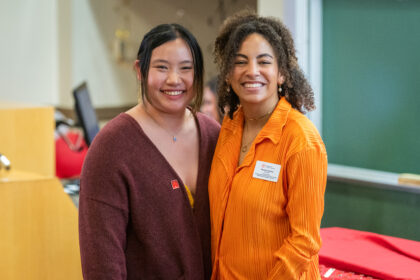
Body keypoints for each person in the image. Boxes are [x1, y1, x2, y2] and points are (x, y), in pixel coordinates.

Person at [79, 23, 220, 280]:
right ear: (140, 70)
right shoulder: (111, 148)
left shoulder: (214, 135)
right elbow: (102, 265)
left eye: (186, 68)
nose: (174, 79)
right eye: (162, 67)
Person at [208, 11, 327, 279]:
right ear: (228, 74)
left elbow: (305, 240)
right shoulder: (229, 127)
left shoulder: (301, 140)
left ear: (281, 73)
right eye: (240, 62)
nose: (252, 71)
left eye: (264, 61)